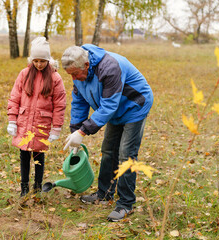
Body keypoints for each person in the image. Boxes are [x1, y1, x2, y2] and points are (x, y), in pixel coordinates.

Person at [61, 44, 153, 221]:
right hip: (115, 110)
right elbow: (79, 102)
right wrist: (75, 131)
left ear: (86, 65)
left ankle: (126, 204)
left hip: (134, 105)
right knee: (109, 150)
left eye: (74, 74)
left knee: (126, 154)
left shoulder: (109, 68)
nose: (73, 78)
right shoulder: (78, 73)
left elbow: (110, 105)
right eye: (70, 75)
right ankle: (104, 194)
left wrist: (83, 132)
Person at [7, 37, 66, 197]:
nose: (39, 64)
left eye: (42, 61)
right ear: (31, 59)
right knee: (24, 155)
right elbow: (15, 97)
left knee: (39, 155)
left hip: (42, 124)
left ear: (48, 60)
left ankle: (38, 186)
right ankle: (24, 187)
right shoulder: (24, 74)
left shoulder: (55, 78)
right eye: (36, 60)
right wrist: (12, 120)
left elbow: (59, 105)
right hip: (24, 122)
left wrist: (56, 128)